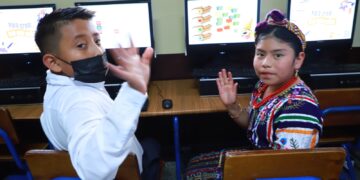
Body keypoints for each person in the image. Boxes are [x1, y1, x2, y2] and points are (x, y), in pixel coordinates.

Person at [185, 9, 323, 179]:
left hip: (269, 173)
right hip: (258, 159)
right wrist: (232, 106)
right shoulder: (263, 85)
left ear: (298, 59)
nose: (265, 63)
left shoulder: (299, 109)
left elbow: (287, 169)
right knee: (193, 163)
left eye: (278, 55)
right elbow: (253, 125)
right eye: (260, 54)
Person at [35, 7, 159, 179]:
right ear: (53, 62)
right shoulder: (78, 102)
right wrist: (134, 92)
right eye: (81, 45)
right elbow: (94, 168)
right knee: (154, 145)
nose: (97, 51)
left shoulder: (60, 83)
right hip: (129, 173)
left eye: (97, 41)